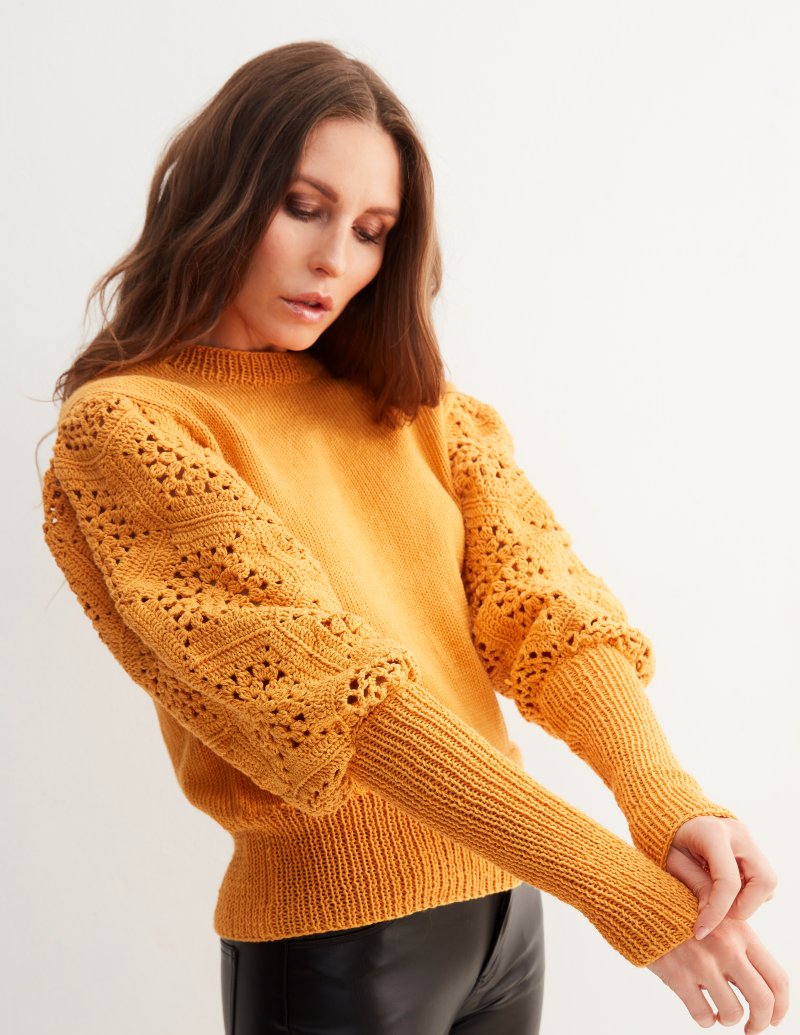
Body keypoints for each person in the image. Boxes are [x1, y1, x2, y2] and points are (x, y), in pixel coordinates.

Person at [39, 40, 788, 1035]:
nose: (334, 261)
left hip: (504, 917)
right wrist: (615, 885)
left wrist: (664, 799)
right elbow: (346, 701)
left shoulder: (419, 408)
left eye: (371, 231)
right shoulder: (133, 427)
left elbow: (549, 615)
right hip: (338, 948)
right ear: (222, 196)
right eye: (302, 207)